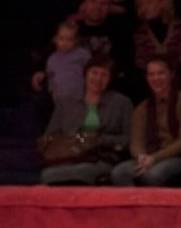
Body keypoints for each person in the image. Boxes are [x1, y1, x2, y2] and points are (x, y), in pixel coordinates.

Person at [40, 55, 132, 185]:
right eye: (94, 73)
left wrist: (99, 140)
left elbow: (128, 139)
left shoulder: (122, 103)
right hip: (69, 157)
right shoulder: (66, 102)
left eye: (104, 75)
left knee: (82, 172)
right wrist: (72, 142)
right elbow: (50, 136)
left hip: (102, 158)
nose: (98, 79)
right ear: (85, 74)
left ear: (110, 79)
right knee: (48, 174)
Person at [111, 55, 181, 185]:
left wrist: (155, 158)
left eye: (160, 73)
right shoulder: (142, 108)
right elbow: (136, 142)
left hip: (177, 157)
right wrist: (141, 157)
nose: (156, 78)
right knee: (119, 172)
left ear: (171, 74)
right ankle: (135, 204)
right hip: (150, 157)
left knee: (154, 174)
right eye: (151, 74)